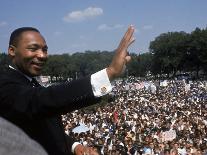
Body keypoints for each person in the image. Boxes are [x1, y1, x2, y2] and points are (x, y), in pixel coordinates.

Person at [0, 26, 135, 155]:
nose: (42, 55)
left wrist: (74, 146)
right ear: (12, 51)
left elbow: (47, 129)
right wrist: (109, 73)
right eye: (33, 48)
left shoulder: (32, 84)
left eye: (45, 49)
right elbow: (41, 101)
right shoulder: (5, 85)